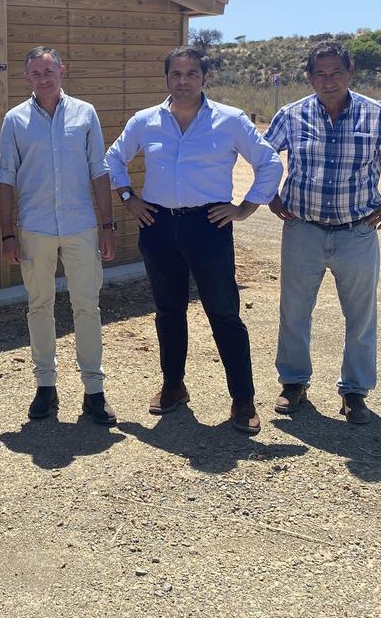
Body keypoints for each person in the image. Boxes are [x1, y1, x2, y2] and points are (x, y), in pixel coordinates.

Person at [105, 46, 282, 434]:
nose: (182, 81)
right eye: (175, 74)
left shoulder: (230, 121)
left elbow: (269, 163)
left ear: (205, 78)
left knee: (224, 314)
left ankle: (243, 399)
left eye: (191, 74)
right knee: (168, 312)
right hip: (158, 226)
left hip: (209, 226)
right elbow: (113, 158)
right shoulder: (145, 121)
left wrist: (246, 207)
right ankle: (173, 385)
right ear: (166, 78)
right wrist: (127, 198)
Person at [263, 41, 381, 425]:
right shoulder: (291, 115)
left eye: (336, 72)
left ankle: (354, 391)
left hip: (358, 232)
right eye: (319, 73)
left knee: (360, 315)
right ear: (309, 77)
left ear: (350, 74)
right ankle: (294, 383)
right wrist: (268, 195)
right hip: (302, 229)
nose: (328, 80)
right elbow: (263, 155)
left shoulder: (377, 114)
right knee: (294, 311)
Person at [0, 46, 117, 424]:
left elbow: (99, 170)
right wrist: (7, 236)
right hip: (35, 228)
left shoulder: (85, 114)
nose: (43, 78)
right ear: (27, 77)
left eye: (49, 70)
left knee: (87, 307)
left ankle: (94, 391)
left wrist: (107, 227)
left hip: (81, 226)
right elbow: (5, 178)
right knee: (40, 307)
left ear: (62, 70)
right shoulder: (14, 120)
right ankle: (45, 387)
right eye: (36, 73)